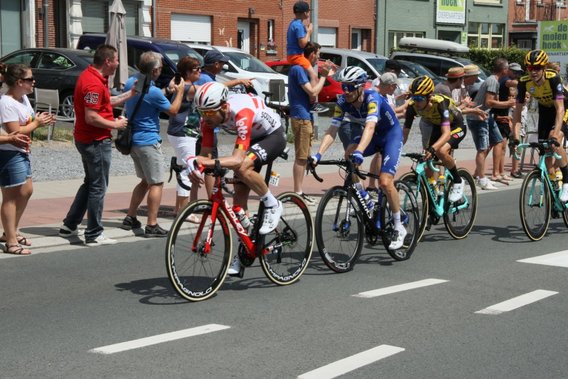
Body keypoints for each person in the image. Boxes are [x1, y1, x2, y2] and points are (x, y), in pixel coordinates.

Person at [187, 82, 287, 274]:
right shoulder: (207, 120)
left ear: (224, 107)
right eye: (201, 112)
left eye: (208, 113)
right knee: (238, 208)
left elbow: (237, 159)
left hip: (272, 136)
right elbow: (206, 153)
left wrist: (206, 162)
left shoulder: (242, 112)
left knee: (241, 167)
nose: (204, 118)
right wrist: (195, 167)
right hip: (252, 139)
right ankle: (244, 253)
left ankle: (272, 203)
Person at [311, 66, 408, 250]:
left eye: (350, 87)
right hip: (372, 134)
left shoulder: (373, 98)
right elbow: (332, 130)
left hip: (390, 135)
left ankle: (398, 226)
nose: (345, 91)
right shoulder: (342, 102)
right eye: (343, 87)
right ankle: (364, 197)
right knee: (349, 153)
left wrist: (360, 151)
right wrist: (317, 154)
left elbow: (370, 127)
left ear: (360, 87)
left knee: (386, 182)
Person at [58, 45, 134, 246]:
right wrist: (115, 124)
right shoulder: (92, 82)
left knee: (90, 182)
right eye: (116, 60)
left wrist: (130, 95)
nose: (118, 63)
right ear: (108, 61)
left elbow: (106, 101)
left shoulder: (94, 77)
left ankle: (69, 225)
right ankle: (93, 233)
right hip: (95, 140)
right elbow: (91, 117)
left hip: (87, 138)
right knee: (98, 186)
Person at [121, 51, 185, 237]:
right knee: (156, 182)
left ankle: (130, 217)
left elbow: (147, 97)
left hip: (133, 141)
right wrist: (179, 92)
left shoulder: (131, 82)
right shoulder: (154, 91)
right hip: (148, 142)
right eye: (161, 68)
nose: (161, 70)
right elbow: (173, 110)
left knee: (145, 181)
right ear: (155, 70)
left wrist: (168, 90)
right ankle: (152, 224)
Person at [0, 63, 54, 255]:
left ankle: (11, 231)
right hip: (8, 152)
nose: (34, 82)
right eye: (30, 79)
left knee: (26, 191)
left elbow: (28, 122)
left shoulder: (22, 98)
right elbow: (14, 130)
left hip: (22, 151)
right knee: (11, 196)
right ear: (19, 82)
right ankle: (11, 241)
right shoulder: (6, 103)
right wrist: (37, 123)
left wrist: (40, 120)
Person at [512, 50, 568, 201]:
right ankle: (553, 183)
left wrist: (556, 134)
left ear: (544, 68)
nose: (533, 72)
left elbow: (560, 109)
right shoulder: (524, 81)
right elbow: (517, 113)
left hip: (563, 108)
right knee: (544, 150)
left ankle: (567, 181)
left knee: (553, 141)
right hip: (545, 109)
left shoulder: (553, 78)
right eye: (530, 68)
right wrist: (516, 138)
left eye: (537, 68)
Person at [403, 76, 467, 202]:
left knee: (441, 151)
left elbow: (446, 134)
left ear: (429, 96)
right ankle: (432, 196)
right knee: (427, 159)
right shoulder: (412, 106)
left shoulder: (440, 103)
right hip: (437, 127)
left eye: (419, 98)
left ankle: (458, 181)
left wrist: (433, 149)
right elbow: (404, 134)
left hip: (455, 127)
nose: (416, 102)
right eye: (413, 97)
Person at [288, 41, 334, 204]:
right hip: (301, 117)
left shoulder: (303, 69)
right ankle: (297, 193)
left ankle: (299, 191)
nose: (319, 58)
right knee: (301, 157)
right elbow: (313, 91)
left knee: (304, 155)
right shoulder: (298, 69)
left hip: (304, 115)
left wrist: (319, 74)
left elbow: (313, 94)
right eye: (318, 55)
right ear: (312, 53)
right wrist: (323, 76)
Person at [465, 60, 513, 190]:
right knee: (482, 148)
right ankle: (481, 178)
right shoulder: (492, 81)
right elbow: (489, 102)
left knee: (497, 140)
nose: (509, 71)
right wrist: (508, 103)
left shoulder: (493, 81)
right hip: (478, 117)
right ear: (503, 70)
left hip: (487, 116)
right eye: (508, 68)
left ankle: (485, 174)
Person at [166, 57, 203, 218]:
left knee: (183, 168)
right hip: (183, 133)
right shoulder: (188, 88)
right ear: (188, 72)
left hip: (181, 132)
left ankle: (178, 208)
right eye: (197, 69)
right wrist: (236, 81)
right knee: (188, 171)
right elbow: (214, 88)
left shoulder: (182, 85)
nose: (200, 71)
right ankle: (185, 212)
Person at [286, 1, 327, 113]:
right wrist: (309, 32)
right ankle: (313, 103)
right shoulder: (298, 25)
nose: (309, 13)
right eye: (308, 11)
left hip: (292, 55)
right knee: (313, 75)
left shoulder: (293, 23)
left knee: (310, 74)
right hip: (296, 56)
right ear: (304, 12)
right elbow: (302, 44)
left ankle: (311, 101)